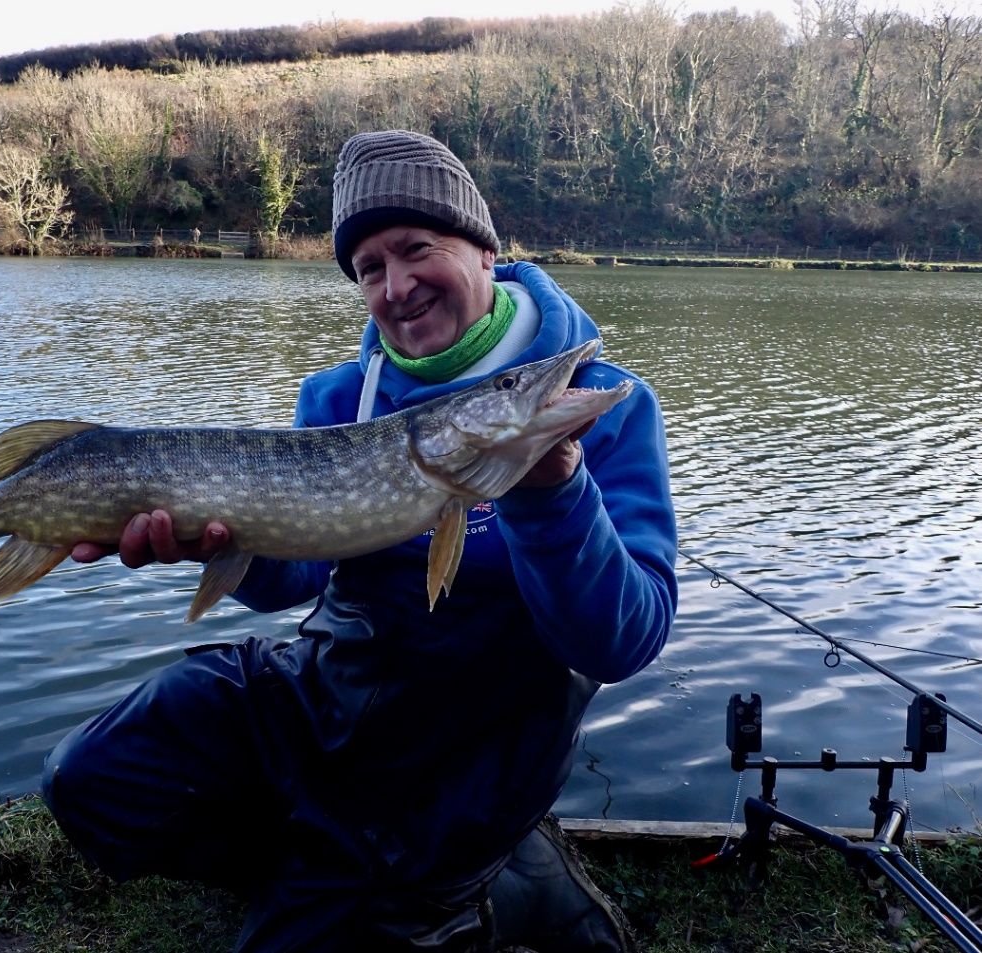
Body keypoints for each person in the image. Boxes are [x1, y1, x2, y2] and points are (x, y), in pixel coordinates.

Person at [42, 130, 678, 952]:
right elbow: (291, 574)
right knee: (90, 779)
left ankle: (478, 880)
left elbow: (621, 640)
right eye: (369, 268)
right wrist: (208, 541)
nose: (397, 285)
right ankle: (316, 868)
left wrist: (553, 493)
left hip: (480, 750)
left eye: (418, 249)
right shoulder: (340, 395)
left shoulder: (605, 404)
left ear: (485, 252)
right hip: (335, 692)